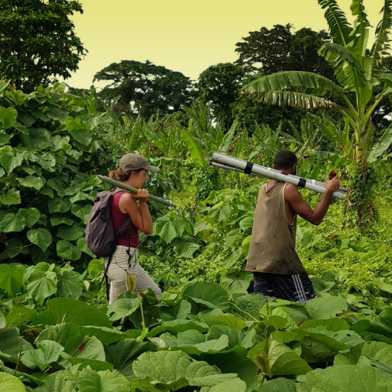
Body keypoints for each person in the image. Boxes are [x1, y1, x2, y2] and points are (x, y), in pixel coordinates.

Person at [246, 150, 340, 303]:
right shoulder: (288, 189)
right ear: (293, 167)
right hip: (281, 261)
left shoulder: (263, 188)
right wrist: (328, 191)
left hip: (259, 259)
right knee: (306, 303)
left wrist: (327, 191)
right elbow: (315, 218)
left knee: (264, 308)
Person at [105, 152, 162, 304]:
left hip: (131, 261)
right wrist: (143, 202)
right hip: (121, 261)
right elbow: (148, 229)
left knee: (155, 294)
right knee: (117, 315)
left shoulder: (123, 194)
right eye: (145, 173)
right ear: (133, 173)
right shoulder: (126, 198)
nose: (146, 178)